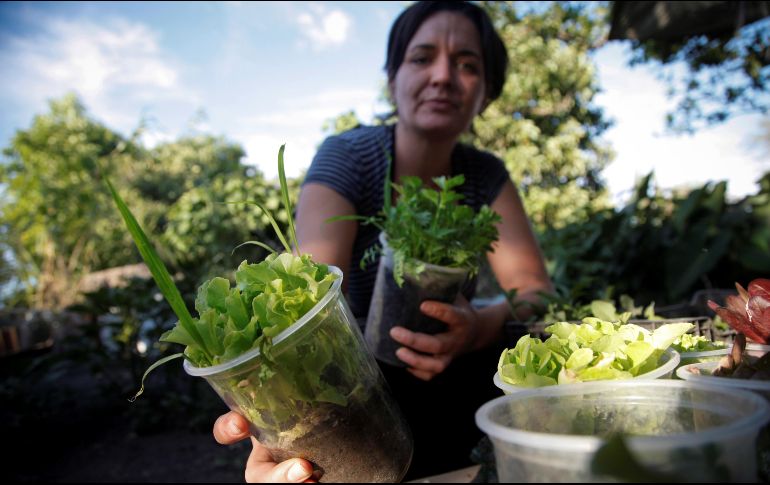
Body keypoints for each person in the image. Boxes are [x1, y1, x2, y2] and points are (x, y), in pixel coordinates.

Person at [213, 1, 553, 482]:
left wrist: (477, 327)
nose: (442, 76)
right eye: (421, 57)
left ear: (486, 93)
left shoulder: (484, 175)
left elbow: (536, 291)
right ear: (392, 78)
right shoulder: (350, 156)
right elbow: (304, 303)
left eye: (467, 64)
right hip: (356, 392)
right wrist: (281, 420)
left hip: (460, 377)